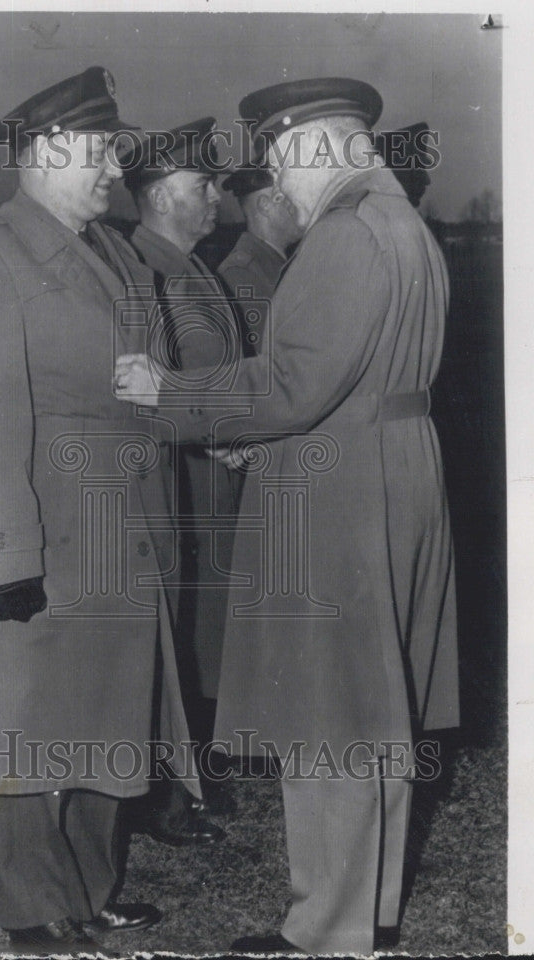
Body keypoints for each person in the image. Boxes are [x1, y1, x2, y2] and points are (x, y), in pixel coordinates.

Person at [115, 76, 459, 955]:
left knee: (328, 715)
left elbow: (291, 385)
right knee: (378, 714)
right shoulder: (406, 225)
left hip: (340, 490)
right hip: (395, 472)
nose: (278, 185)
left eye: (280, 162)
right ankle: (369, 912)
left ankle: (326, 930)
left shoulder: (345, 236)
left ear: (319, 149)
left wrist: (174, 394)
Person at [0, 66, 199, 955]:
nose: (113, 173)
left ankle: (89, 890)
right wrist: (6, 558)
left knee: (111, 720)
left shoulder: (115, 252)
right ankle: (36, 906)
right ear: (41, 153)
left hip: (123, 528)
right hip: (50, 528)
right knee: (33, 723)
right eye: (96, 154)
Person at [121, 117, 242, 845]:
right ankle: (160, 792)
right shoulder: (146, 269)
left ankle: (185, 774)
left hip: (210, 470)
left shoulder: (193, 266)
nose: (217, 195)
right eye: (204, 183)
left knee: (196, 628)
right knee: (170, 631)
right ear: (163, 194)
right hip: (179, 475)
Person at [217, 166, 304, 348]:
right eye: (289, 200)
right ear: (265, 205)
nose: (299, 207)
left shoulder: (280, 262)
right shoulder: (240, 274)